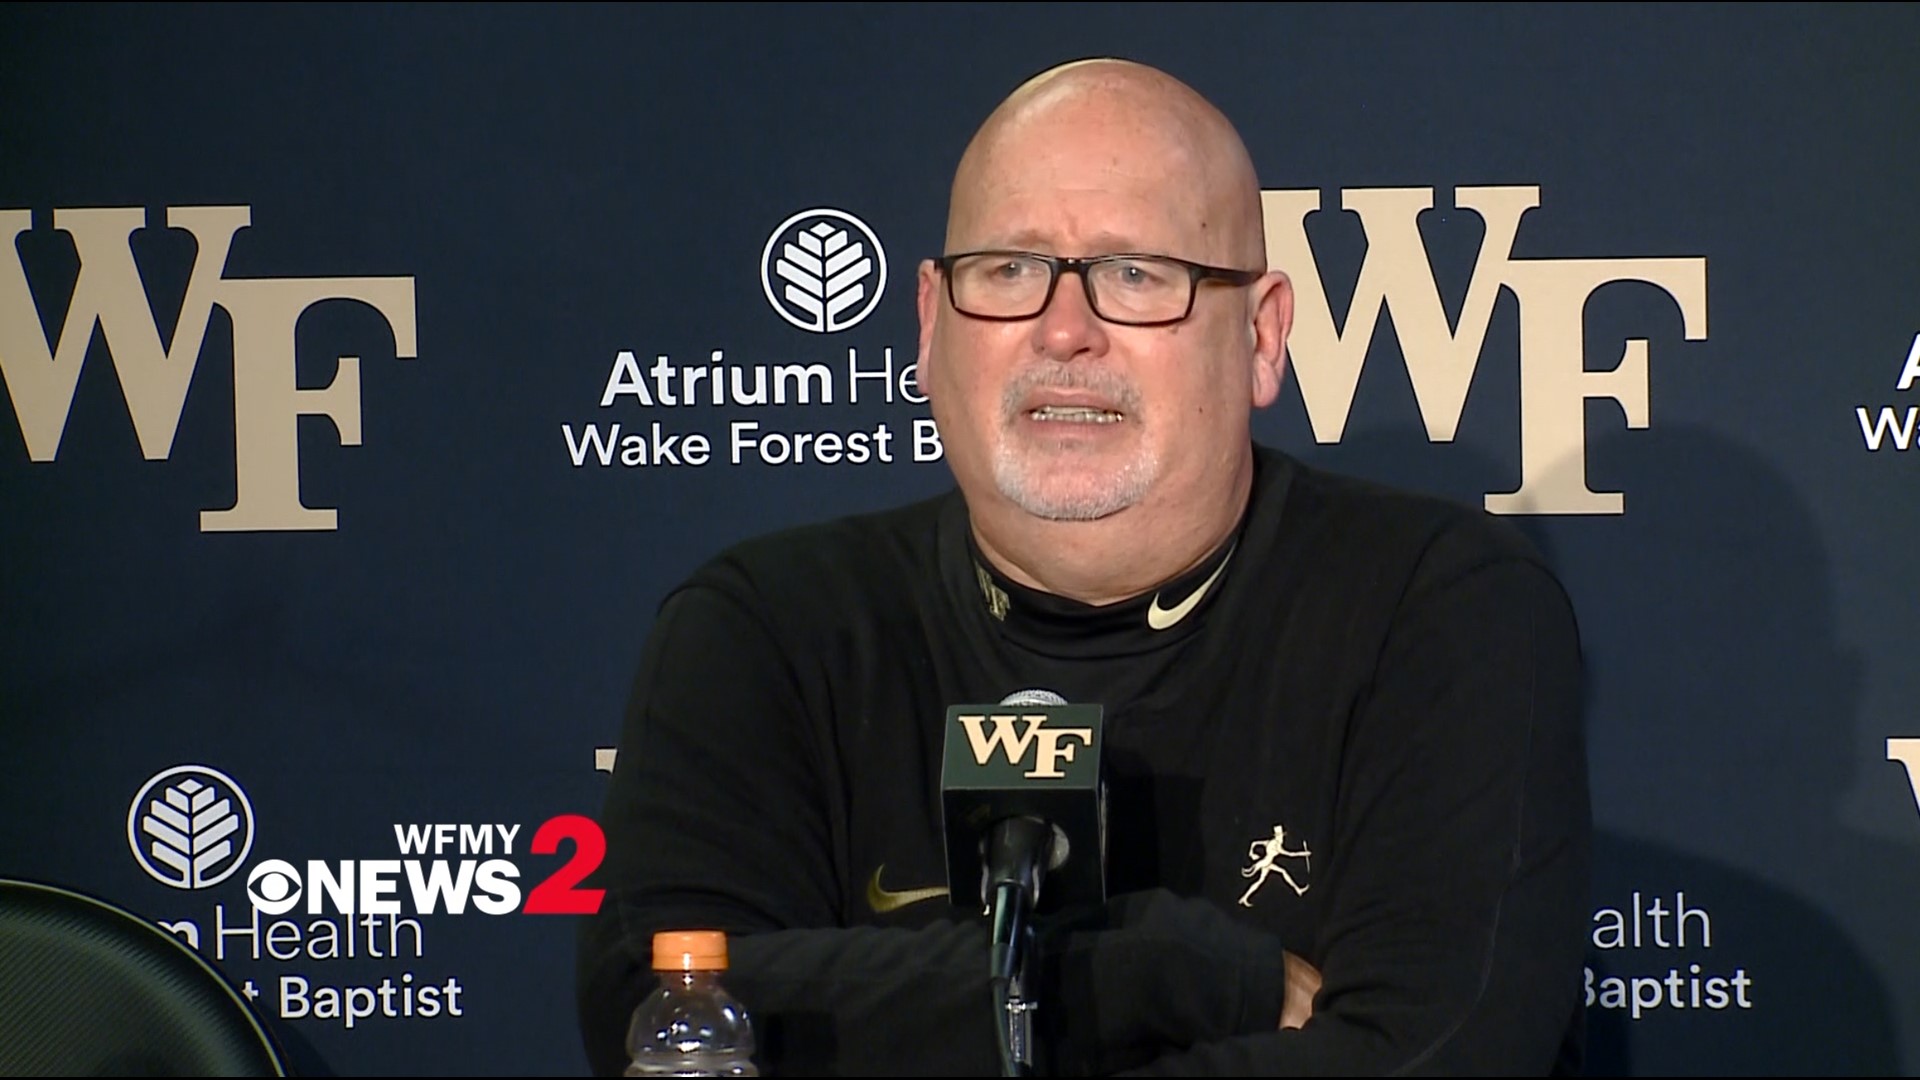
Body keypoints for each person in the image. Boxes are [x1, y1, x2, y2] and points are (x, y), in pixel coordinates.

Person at [578, 58, 1589, 1076]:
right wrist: (1162, 971)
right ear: (931, 328)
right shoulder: (770, 630)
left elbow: (1435, 1053)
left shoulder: (1435, 609)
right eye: (1010, 269)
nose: (1065, 332)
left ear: (1262, 335)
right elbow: (665, 1016)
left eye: (1138, 273)